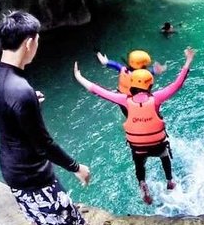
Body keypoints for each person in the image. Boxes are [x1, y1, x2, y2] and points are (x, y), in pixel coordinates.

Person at [0, 10, 90, 225]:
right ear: (29, 42)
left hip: (10, 169)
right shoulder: (21, 90)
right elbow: (43, 144)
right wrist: (76, 167)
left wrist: (30, 106)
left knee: (37, 218)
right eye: (38, 40)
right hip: (34, 173)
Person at [74, 47, 194, 205]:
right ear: (150, 85)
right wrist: (188, 60)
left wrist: (79, 76)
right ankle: (170, 181)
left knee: (139, 164)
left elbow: (97, 90)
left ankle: (143, 184)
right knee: (165, 155)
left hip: (138, 148)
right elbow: (177, 84)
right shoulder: (156, 98)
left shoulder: (124, 100)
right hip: (157, 145)